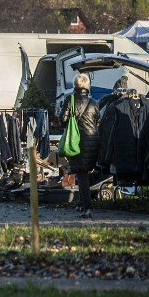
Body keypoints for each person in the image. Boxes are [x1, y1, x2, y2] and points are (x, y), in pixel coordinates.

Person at [60, 73, 100, 219]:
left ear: (75, 85)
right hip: (93, 141)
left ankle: (87, 208)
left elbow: (63, 121)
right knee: (84, 173)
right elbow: (98, 122)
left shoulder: (69, 100)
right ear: (87, 85)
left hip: (76, 142)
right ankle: (82, 203)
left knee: (82, 175)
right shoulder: (94, 102)